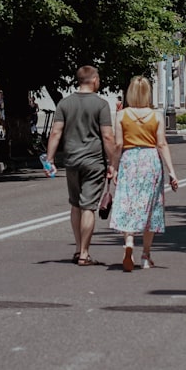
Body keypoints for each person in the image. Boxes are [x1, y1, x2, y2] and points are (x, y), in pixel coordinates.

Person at [43, 66, 115, 267]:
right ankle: (84, 253)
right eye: (98, 78)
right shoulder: (101, 105)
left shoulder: (65, 104)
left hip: (72, 161)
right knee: (88, 207)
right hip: (94, 162)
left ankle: (77, 248)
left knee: (75, 205)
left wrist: (49, 159)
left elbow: (56, 133)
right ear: (93, 80)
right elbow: (108, 136)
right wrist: (113, 163)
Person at [108, 76, 178, 272]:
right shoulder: (156, 116)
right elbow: (162, 144)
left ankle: (129, 242)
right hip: (150, 161)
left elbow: (119, 144)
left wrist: (113, 167)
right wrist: (172, 172)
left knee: (128, 203)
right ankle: (146, 255)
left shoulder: (122, 115)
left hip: (130, 160)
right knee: (151, 206)